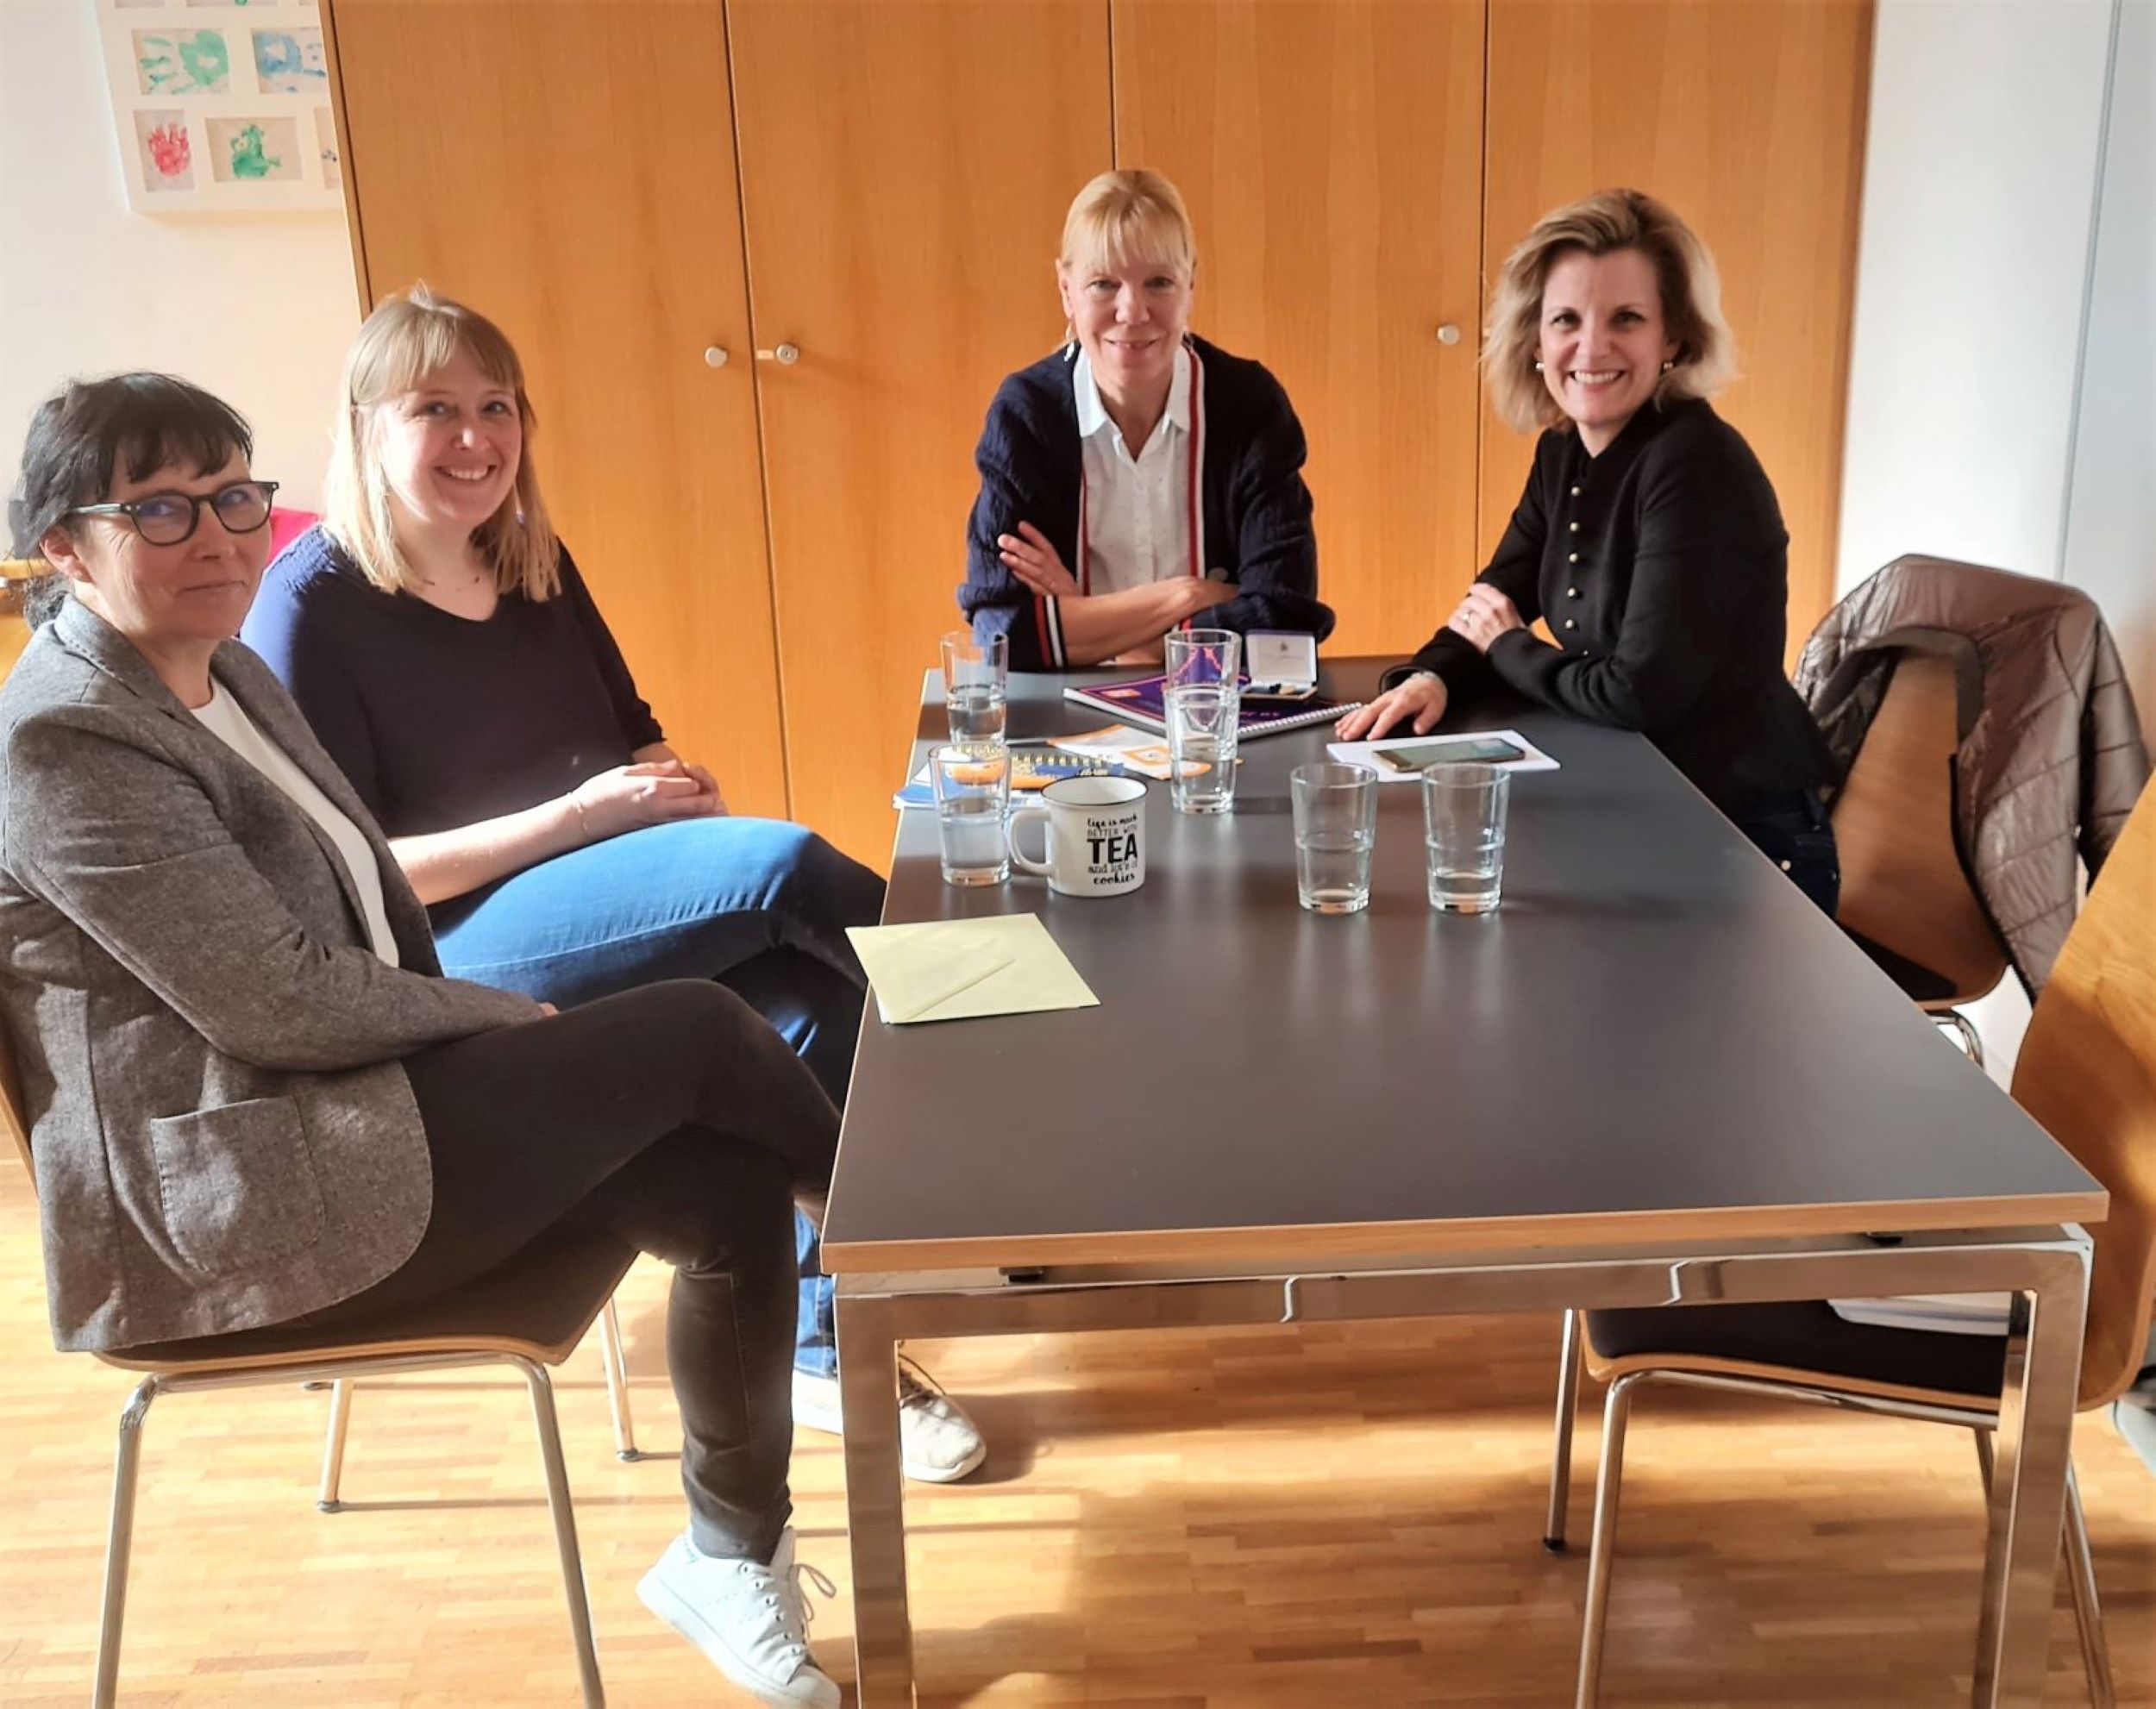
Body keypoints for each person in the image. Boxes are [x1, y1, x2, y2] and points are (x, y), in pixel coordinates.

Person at [0, 374, 843, 1707]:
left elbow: (360, 914)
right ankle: (916, 1241)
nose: (217, 537)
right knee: (696, 1029)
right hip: (236, 1208)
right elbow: (276, 999)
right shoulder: (67, 736)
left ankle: (729, 1553)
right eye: (160, 510)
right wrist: (500, 1017)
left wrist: (485, 1035)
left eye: (233, 496)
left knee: (728, 1179)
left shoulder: (228, 672)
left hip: (360, 1101)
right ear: (65, 544)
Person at [241, 289, 984, 1483]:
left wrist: (666, 783)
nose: (476, 437)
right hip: (451, 942)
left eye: (497, 406)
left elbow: (631, 730)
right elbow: (352, 876)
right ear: (366, 423)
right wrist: (581, 819)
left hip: (600, 891)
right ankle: (1000, 1032)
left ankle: (827, 1344)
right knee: (784, 866)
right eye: (436, 409)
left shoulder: (530, 560)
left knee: (816, 1004)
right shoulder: (310, 603)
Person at [1338, 188, 1839, 911]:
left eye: (1626, 319)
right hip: (1644, 800)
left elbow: (1633, 692)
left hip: (1743, 835)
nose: (1592, 347)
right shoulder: (1564, 450)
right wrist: (1434, 675)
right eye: (1566, 320)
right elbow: (1496, 595)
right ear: (1535, 342)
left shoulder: (1696, 465)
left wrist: (1508, 647)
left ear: (1674, 339)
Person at [958, 168, 1334, 668]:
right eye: (1103, 284)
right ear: (1066, 290)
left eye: (1159, 282)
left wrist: (1084, 618)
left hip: (1220, 709)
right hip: (1069, 711)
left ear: (1191, 284)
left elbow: (1285, 629)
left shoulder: (1249, 406)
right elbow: (1001, 634)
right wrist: (1188, 595)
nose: (1132, 312)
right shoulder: (1027, 414)